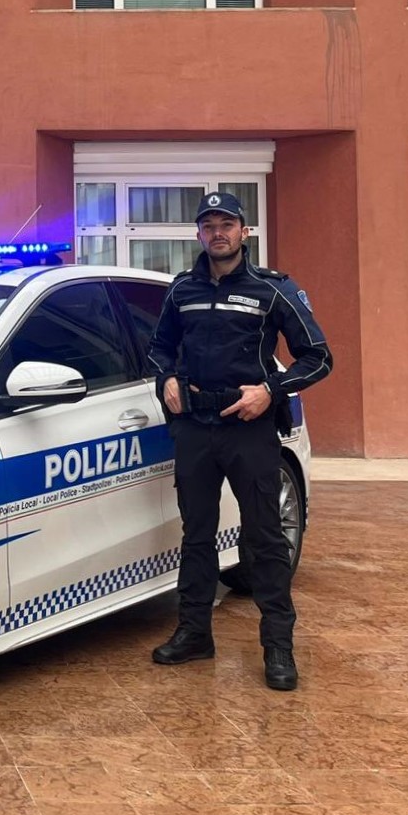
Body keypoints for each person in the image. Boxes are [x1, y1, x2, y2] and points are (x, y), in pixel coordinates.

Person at [146, 190, 332, 691]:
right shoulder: (181, 289)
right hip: (196, 429)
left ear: (244, 232)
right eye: (208, 225)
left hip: (249, 428)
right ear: (199, 234)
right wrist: (165, 379)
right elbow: (159, 348)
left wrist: (269, 390)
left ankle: (278, 649)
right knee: (197, 534)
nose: (217, 233)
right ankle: (194, 633)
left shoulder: (274, 290)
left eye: (227, 224)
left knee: (264, 538)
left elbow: (318, 357)